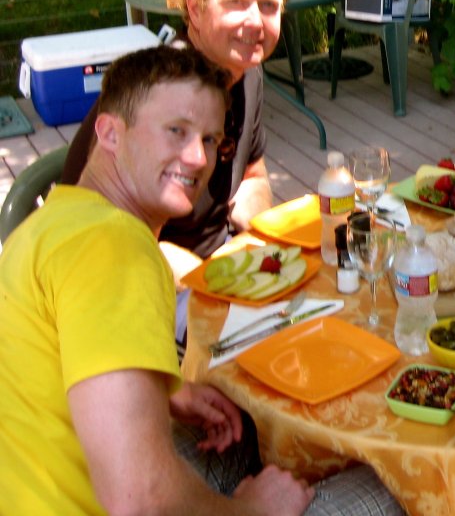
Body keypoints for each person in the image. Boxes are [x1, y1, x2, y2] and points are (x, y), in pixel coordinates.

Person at [0, 46, 316, 515]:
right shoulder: (115, 247)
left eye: (210, 140)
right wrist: (251, 512)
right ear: (108, 133)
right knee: (374, 491)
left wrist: (168, 390)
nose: (197, 158)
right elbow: (140, 499)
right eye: (176, 131)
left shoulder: (49, 227)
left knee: (246, 448)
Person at [63, 0, 285, 260]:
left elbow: (252, 175)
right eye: (236, 3)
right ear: (194, 10)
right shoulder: (162, 89)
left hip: (221, 264)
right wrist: (181, 267)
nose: (254, 21)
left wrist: (255, 246)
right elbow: (93, 231)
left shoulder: (247, 70)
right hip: (137, 272)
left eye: (268, 5)